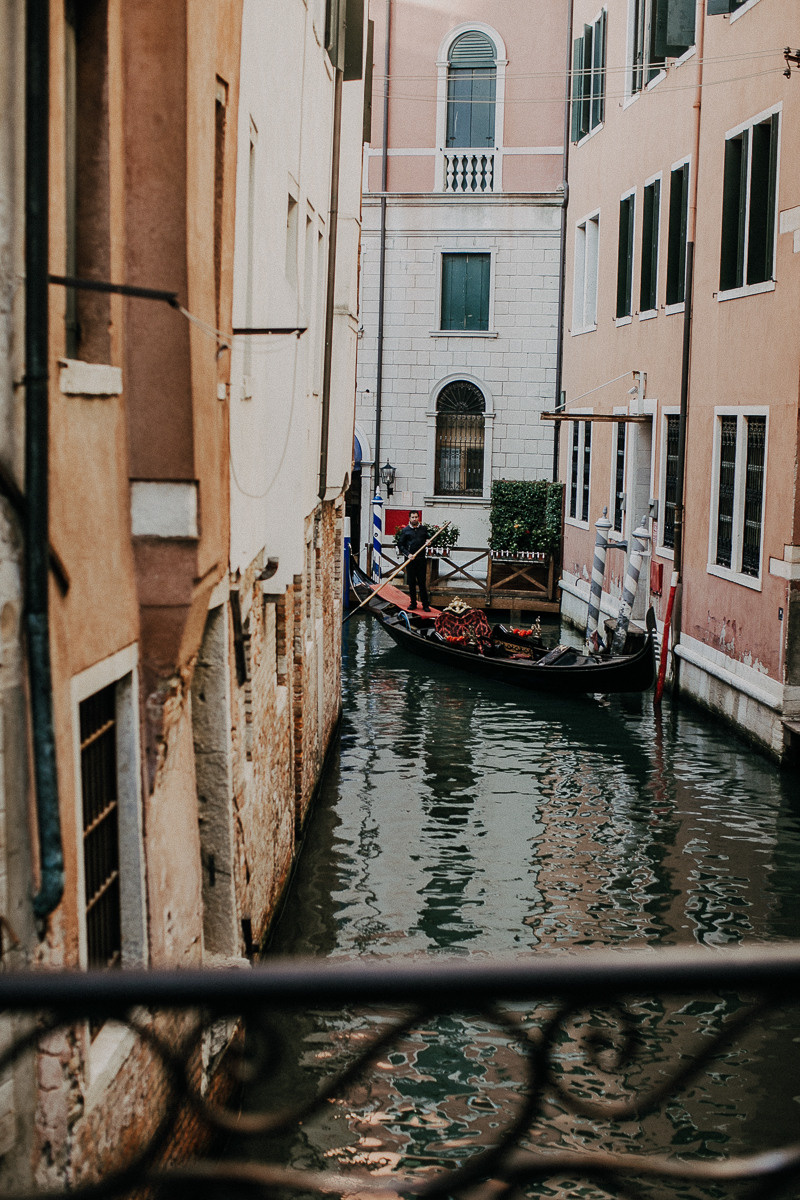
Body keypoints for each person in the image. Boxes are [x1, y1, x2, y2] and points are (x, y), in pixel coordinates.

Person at [396, 510, 431, 611]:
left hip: (421, 559)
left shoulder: (423, 529)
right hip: (410, 560)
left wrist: (428, 542)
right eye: (413, 517)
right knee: (411, 583)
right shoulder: (405, 530)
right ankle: (413, 604)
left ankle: (425, 605)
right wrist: (408, 554)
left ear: (418, 518)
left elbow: (428, 539)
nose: (414, 519)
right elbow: (400, 545)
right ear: (409, 518)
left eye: (416, 517)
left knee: (422, 583)